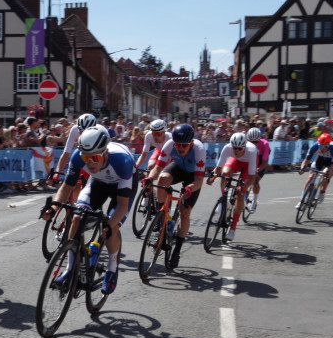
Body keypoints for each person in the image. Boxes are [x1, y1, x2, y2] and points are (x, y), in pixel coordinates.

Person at [42, 125, 137, 294]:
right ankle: (70, 268)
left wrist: (109, 225)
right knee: (77, 218)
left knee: (111, 228)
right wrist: (53, 208)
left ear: (105, 153)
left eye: (95, 157)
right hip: (98, 183)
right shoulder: (78, 157)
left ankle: (112, 267)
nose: (90, 162)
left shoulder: (123, 161)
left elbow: (122, 204)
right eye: (86, 157)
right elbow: (66, 187)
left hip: (120, 189)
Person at [146, 123, 206, 269]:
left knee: (184, 213)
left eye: (184, 146)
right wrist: (149, 178)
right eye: (177, 145)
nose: (179, 148)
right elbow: (158, 168)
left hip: (193, 177)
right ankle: (161, 215)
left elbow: (198, 180)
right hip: (178, 169)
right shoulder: (169, 145)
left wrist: (189, 188)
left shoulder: (199, 149)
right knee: (161, 179)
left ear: (191, 143)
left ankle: (177, 250)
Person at [206, 133, 258, 241]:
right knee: (225, 173)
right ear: (231, 146)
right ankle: (223, 201)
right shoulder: (227, 148)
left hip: (248, 164)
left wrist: (244, 187)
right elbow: (218, 168)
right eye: (235, 148)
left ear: (245, 146)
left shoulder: (252, 151)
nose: (237, 151)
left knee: (240, 193)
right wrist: (212, 178)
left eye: (240, 149)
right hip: (236, 162)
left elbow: (252, 178)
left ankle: (233, 229)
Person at [297, 133, 333, 208]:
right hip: (319, 159)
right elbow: (306, 160)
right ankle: (301, 200)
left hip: (329, 162)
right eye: (321, 146)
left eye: (325, 146)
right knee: (310, 177)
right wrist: (302, 168)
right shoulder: (315, 146)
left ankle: (322, 192)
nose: (322, 148)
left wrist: (329, 177)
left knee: (325, 175)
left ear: (329, 145)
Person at [245, 127, 270, 212]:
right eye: (251, 141)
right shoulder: (246, 143)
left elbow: (264, 162)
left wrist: (257, 171)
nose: (253, 143)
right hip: (252, 158)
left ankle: (254, 202)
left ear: (259, 139)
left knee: (255, 181)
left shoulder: (265, 144)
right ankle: (245, 196)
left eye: (256, 142)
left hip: (261, 161)